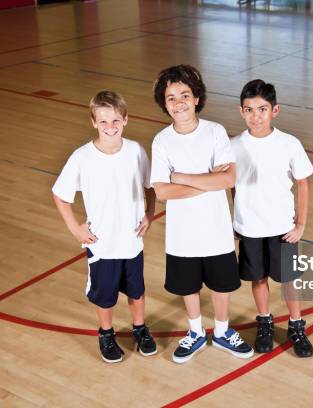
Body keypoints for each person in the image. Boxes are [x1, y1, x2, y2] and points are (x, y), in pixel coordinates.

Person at [150, 65, 253, 363]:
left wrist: (180, 176)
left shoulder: (215, 132)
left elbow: (227, 180)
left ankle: (222, 331)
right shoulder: (161, 141)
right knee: (188, 286)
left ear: (196, 98)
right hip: (182, 234)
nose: (178, 102)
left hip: (216, 229)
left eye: (184, 95)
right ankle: (195, 331)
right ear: (164, 103)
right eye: (171, 98)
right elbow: (162, 192)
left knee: (222, 285)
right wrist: (206, 179)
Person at [52, 90, 157, 363]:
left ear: (125, 120)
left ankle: (140, 329)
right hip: (102, 244)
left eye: (115, 120)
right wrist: (75, 228)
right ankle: (106, 334)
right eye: (103, 121)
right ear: (93, 122)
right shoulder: (82, 157)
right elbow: (60, 195)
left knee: (137, 290)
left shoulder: (135, 151)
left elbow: (150, 186)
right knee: (105, 295)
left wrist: (149, 213)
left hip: (132, 239)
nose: (110, 127)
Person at [231, 79, 313, 357]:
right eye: (250, 109)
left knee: (289, 279)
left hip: (283, 228)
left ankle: (295, 324)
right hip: (249, 227)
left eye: (262, 109)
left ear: (275, 110)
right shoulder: (233, 146)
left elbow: (303, 183)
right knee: (258, 278)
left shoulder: (289, 144)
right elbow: (230, 185)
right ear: (241, 111)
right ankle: (265, 321)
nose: (256, 116)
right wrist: (235, 223)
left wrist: (300, 224)